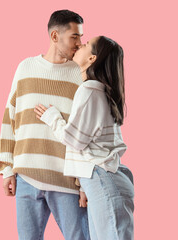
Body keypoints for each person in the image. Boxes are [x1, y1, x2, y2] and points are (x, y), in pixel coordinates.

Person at [0, 10, 91, 240]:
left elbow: (85, 132)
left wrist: (85, 183)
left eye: (81, 37)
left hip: (66, 181)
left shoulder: (81, 75)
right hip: (26, 176)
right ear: (55, 36)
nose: (80, 43)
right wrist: (7, 168)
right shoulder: (25, 68)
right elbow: (10, 117)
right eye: (74, 37)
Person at [34, 36, 134, 240]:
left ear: (92, 59)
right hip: (104, 177)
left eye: (87, 44)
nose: (80, 44)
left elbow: (75, 140)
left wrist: (52, 117)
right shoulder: (102, 92)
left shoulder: (89, 90)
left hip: (103, 176)